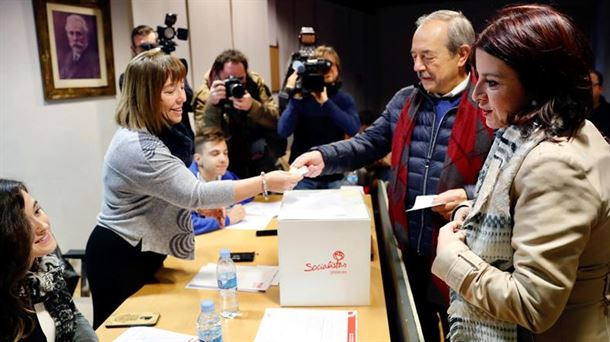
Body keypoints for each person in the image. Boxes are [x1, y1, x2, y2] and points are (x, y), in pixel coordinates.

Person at [292, 10, 494, 341]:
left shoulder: (487, 105)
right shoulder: (406, 101)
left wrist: (469, 196)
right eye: (414, 56)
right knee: (416, 327)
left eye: (427, 57)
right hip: (408, 245)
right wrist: (323, 155)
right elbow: (368, 143)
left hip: (462, 250)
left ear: (462, 54)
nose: (417, 66)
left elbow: (507, 179)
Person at [85, 49, 302, 328]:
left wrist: (197, 205)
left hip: (142, 248)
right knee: (117, 332)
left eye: (180, 87)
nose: (182, 98)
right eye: (169, 91)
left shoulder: (158, 133)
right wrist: (266, 182)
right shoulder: (140, 145)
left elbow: (169, 190)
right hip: (119, 255)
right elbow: (194, 192)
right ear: (145, 96)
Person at [431, 4, 610, 341]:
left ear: (539, 86)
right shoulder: (553, 131)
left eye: (493, 83)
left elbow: (533, 305)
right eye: (477, 78)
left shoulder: (555, 163)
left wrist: (452, 259)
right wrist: (475, 216)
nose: (476, 95)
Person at [0, 179, 97, 341]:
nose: (42, 226)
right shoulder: (7, 299)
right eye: (23, 223)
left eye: (37, 211)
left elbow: (74, 319)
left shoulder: (46, 267)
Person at [193, 49, 284, 178]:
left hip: (257, 151)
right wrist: (212, 105)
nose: (236, 84)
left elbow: (277, 121)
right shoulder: (205, 94)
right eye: (229, 79)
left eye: (241, 79)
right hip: (226, 154)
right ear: (216, 75)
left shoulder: (254, 83)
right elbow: (206, 139)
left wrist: (253, 106)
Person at [278, 45, 360, 189]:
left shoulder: (343, 99)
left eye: (329, 64)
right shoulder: (301, 99)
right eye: (321, 65)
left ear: (338, 69)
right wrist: (295, 99)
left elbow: (353, 128)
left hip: (335, 173)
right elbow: (283, 131)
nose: (326, 70)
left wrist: (326, 103)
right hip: (303, 175)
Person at [119, 25, 196, 148]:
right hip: (157, 142)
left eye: (153, 45)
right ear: (133, 49)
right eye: (144, 47)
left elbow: (189, 102)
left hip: (183, 137)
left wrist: (168, 65)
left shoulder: (171, 72)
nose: (150, 50)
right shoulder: (128, 78)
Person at [188, 128, 248, 234]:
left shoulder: (224, 175)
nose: (223, 159)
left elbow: (247, 194)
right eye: (215, 154)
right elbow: (189, 224)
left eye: (225, 153)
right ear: (198, 159)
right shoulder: (188, 182)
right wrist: (227, 219)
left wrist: (228, 203)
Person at [59, 14, 100, 79]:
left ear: (86, 35)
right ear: (67, 35)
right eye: (71, 33)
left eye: (78, 33)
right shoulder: (66, 59)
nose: (75, 38)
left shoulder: (95, 60)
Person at [589, 70, 610, 139]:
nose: (587, 88)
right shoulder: (577, 109)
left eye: (591, 85)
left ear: (600, 89)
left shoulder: (607, 111)